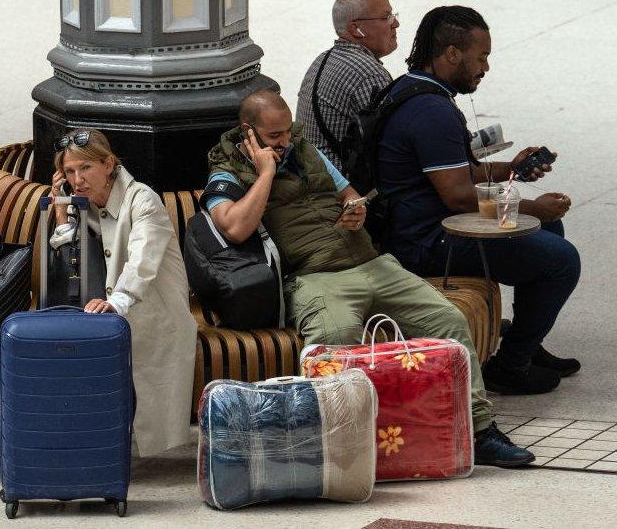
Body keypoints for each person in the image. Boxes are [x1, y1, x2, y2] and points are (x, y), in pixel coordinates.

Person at [205, 88, 534, 467]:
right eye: (274, 136)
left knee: (448, 321)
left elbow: (350, 193)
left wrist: (354, 210)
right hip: (315, 276)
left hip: (369, 261)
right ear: (248, 132)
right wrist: (265, 173)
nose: (284, 142)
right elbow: (234, 228)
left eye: (287, 131)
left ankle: (479, 429)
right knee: (334, 342)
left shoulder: (302, 148)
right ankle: (341, 448)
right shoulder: (226, 169)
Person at [374, 6, 581, 396]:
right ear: (452, 53)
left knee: (551, 229)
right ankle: (511, 365)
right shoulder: (431, 111)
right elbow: (457, 197)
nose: (484, 67)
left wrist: (511, 168)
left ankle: (527, 343)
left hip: (426, 222)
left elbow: (456, 172)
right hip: (427, 242)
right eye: (481, 57)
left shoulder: (417, 89)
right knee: (561, 261)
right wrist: (534, 208)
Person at [51, 128, 196, 457]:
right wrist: (61, 209)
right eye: (70, 171)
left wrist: (115, 303)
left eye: (85, 168)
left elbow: (143, 262)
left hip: (151, 316)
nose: (78, 179)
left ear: (109, 164)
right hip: (102, 315)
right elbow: (69, 260)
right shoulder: (80, 204)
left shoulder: (143, 199)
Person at [296, 0, 398, 170]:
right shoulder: (368, 73)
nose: (396, 24)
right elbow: (395, 145)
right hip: (344, 189)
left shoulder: (324, 59)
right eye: (386, 17)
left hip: (313, 178)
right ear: (356, 29)